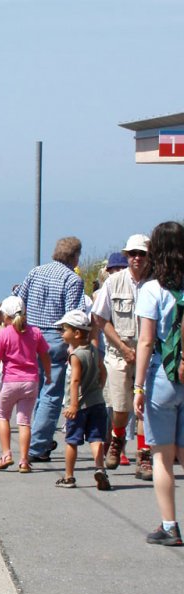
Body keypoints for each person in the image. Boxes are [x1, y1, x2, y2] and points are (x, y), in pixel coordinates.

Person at [133, 221, 184, 545]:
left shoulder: (152, 289)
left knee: (162, 457)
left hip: (163, 378)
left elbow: (146, 341)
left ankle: (169, 526)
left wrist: (138, 386)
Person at [15, 237, 86, 462]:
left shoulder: (35, 272)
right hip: (54, 337)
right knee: (51, 394)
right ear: (75, 256)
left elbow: (19, 302)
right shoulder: (72, 279)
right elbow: (72, 316)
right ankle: (37, 446)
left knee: (33, 390)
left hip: (29, 335)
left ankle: (32, 438)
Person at [91, 235, 153, 480]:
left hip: (148, 353)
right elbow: (100, 318)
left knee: (144, 407)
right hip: (119, 352)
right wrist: (122, 347)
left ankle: (144, 455)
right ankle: (117, 439)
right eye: (133, 253)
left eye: (142, 254)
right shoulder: (114, 282)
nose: (137, 258)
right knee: (120, 406)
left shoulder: (156, 283)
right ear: (127, 256)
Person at [0, 296, 52, 473]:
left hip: (10, 382)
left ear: (5, 316)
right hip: (31, 382)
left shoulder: (4, 334)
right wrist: (49, 375)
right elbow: (45, 355)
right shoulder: (35, 332)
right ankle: (24, 460)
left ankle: (6, 454)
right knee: (24, 421)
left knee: (3, 416)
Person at [54, 309, 112, 491]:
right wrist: (99, 388)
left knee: (72, 440)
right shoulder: (94, 350)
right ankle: (100, 468)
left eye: (64, 330)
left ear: (77, 333)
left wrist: (73, 404)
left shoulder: (76, 355)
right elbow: (103, 372)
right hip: (97, 403)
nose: (62, 333)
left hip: (79, 406)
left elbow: (75, 380)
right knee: (96, 439)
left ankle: (69, 476)